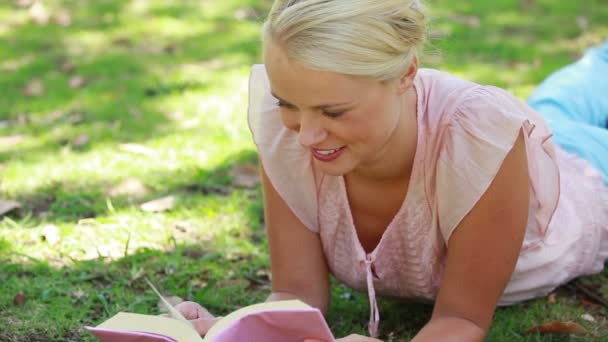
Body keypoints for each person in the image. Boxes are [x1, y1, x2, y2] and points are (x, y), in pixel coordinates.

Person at [174, 1, 608, 340]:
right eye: (288, 104)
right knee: (561, 101)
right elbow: (297, 295)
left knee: (573, 107)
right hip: (556, 130)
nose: (305, 135)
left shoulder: (479, 136)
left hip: (592, 172)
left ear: (406, 73)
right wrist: (230, 331)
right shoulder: (289, 130)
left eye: (333, 111)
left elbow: (461, 319)